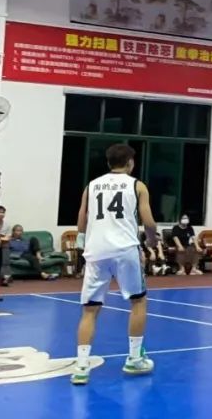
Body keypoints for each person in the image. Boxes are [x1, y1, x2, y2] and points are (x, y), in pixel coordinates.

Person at [71, 143, 157, 385]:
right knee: (138, 301)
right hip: (125, 249)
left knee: (90, 310)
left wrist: (82, 244)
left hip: (96, 251)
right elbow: (149, 221)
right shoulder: (137, 185)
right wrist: (151, 240)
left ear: (108, 162)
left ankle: (81, 367)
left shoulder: (92, 185)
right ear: (130, 162)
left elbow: (82, 218)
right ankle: (134, 359)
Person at [0, 206, 11, 286]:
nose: (1, 214)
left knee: (6, 245)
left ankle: (5, 277)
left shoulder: (7, 225)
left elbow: (8, 238)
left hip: (2, 246)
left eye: (2, 212)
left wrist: (0, 238)